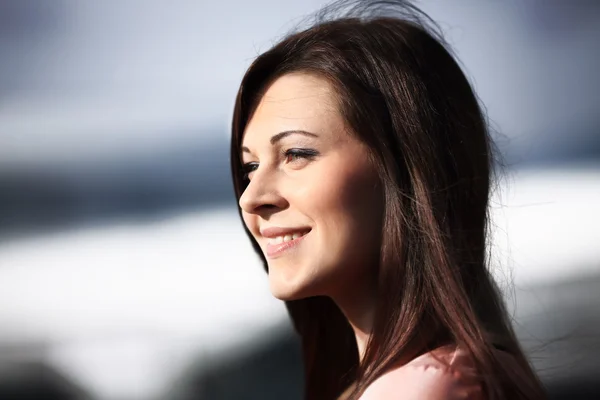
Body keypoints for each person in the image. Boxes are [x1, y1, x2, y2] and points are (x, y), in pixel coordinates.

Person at [229, 1, 547, 399]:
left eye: (296, 154)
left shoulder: (426, 387)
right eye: (250, 167)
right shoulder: (448, 375)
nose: (251, 198)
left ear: (404, 166)